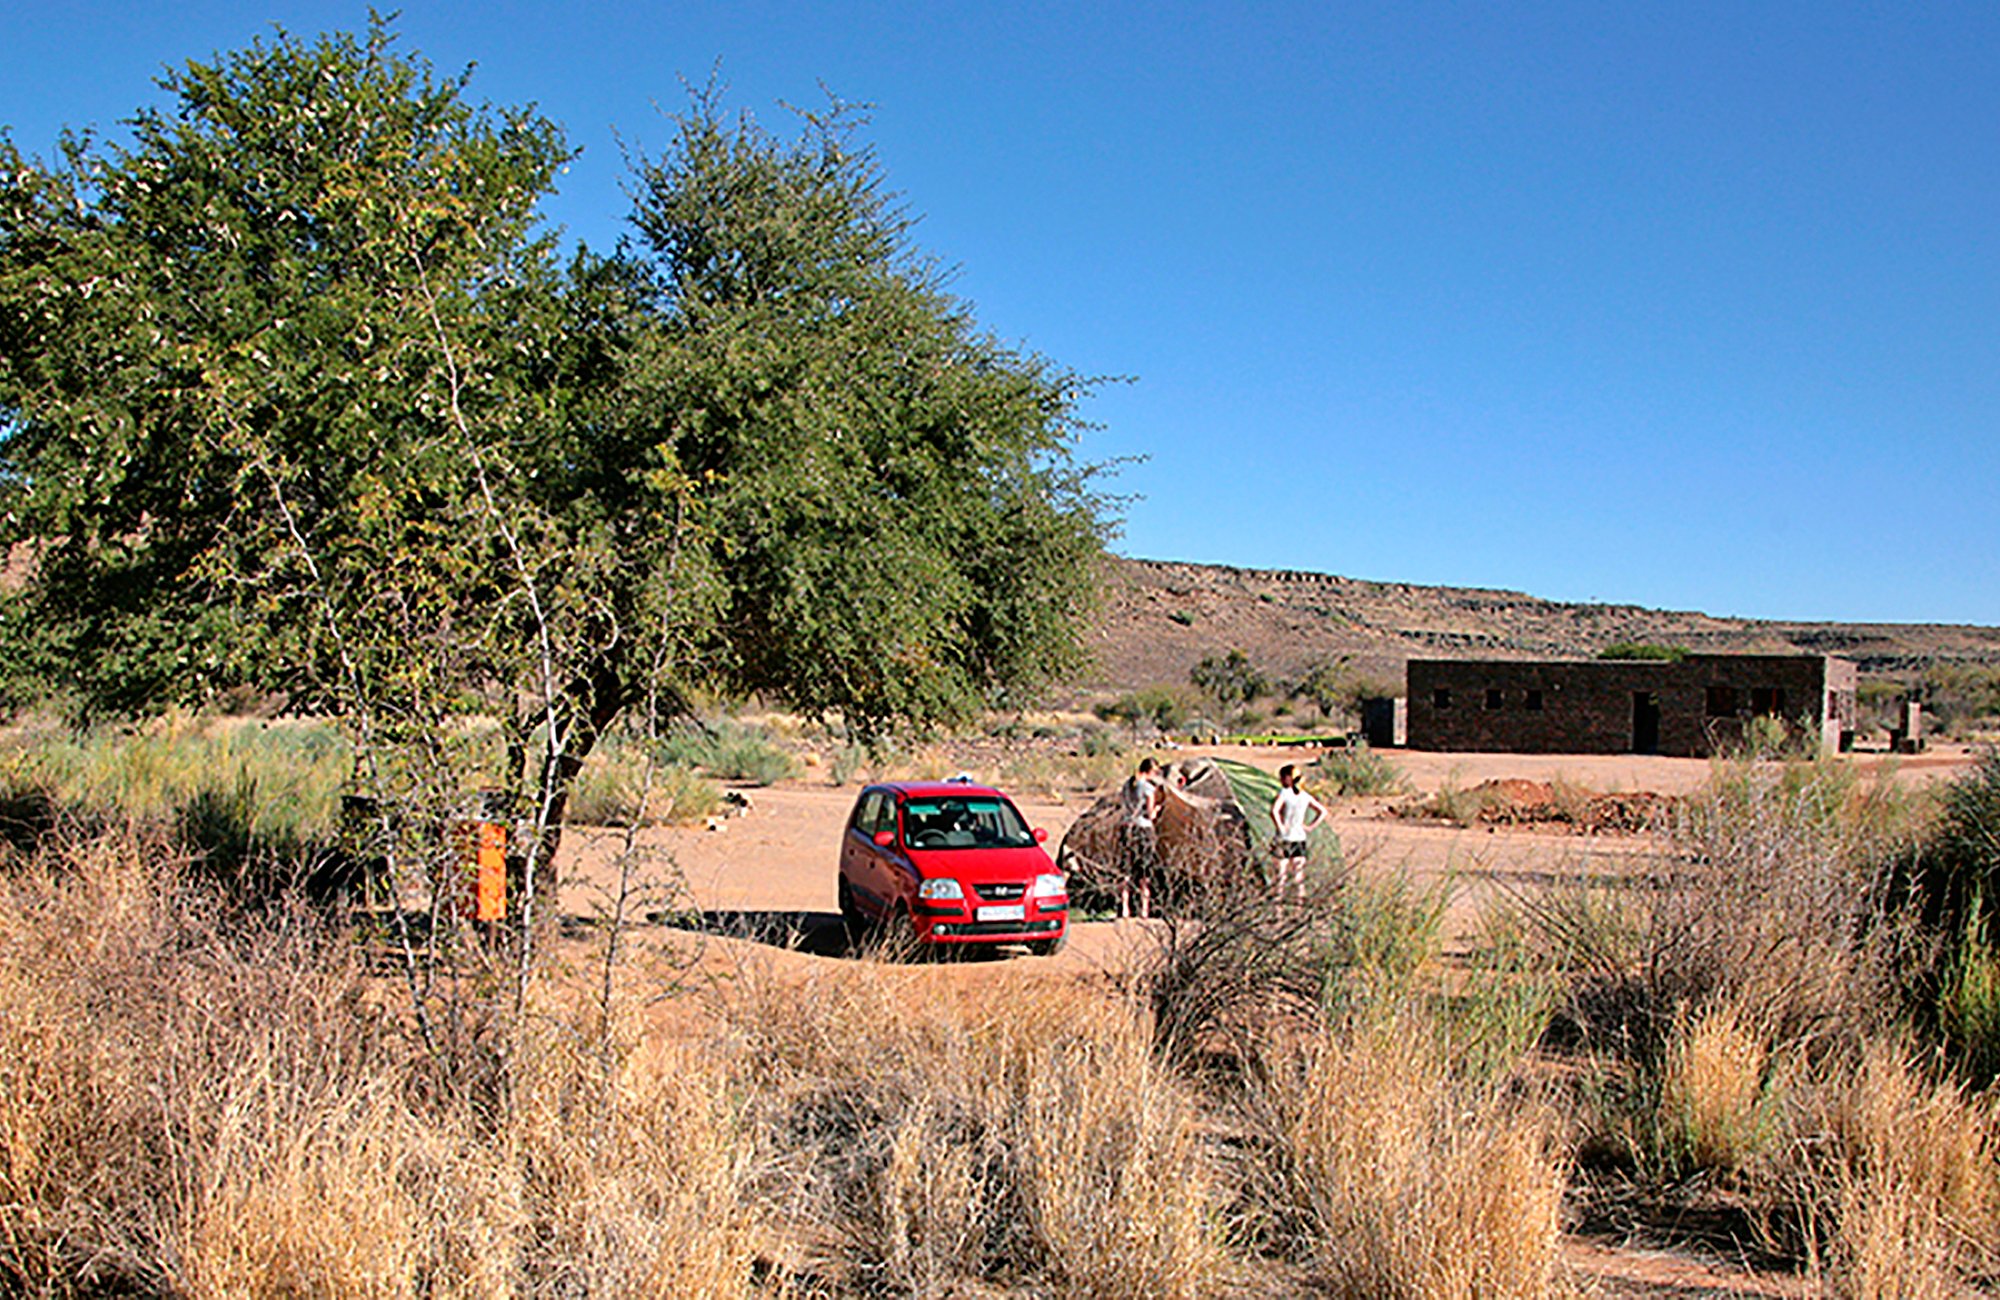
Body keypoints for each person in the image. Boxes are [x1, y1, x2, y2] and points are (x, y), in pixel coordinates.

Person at [1269, 763, 1328, 900]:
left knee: (1280, 877)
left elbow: (1274, 811)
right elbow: (1322, 811)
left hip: (1284, 838)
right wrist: (1309, 827)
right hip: (1299, 838)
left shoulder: (1284, 793)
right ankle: (1300, 906)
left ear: (1288, 778)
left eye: (1282, 777)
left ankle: (1278, 909)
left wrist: (1280, 827)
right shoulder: (1304, 795)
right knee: (1298, 876)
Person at [1117, 756, 1164, 919]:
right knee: (1145, 872)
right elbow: (1150, 815)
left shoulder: (1127, 785)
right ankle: (1144, 909)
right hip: (1143, 829)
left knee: (1125, 870)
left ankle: (1124, 908)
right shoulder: (1148, 789)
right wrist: (1158, 809)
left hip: (1126, 827)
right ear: (1150, 771)